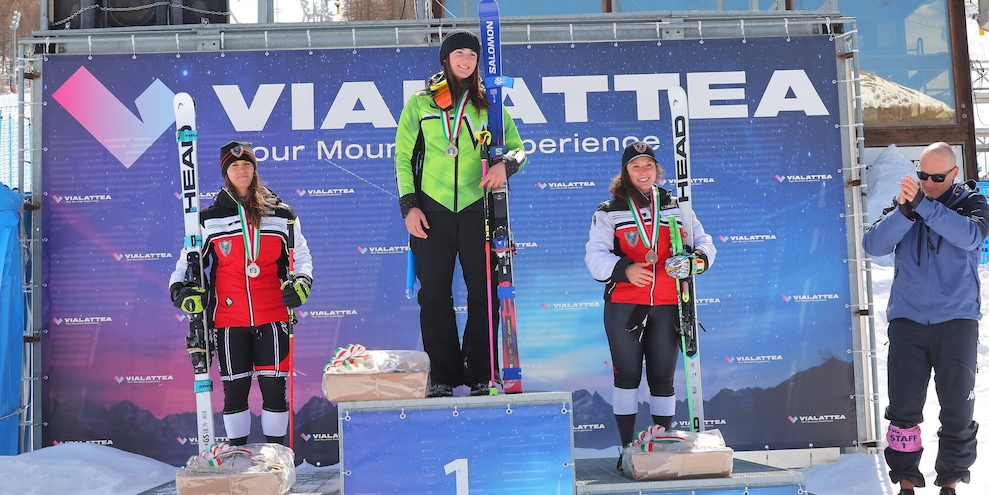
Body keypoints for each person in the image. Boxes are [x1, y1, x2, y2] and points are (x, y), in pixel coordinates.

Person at [394, 29, 527, 398]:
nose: (466, 60)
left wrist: (506, 167)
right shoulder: (420, 103)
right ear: (446, 59)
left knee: (484, 293)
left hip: (477, 209)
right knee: (434, 295)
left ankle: (481, 373)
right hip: (431, 210)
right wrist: (409, 205)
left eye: (472, 54)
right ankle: (442, 376)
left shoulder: (490, 103)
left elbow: (518, 150)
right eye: (459, 54)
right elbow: (403, 159)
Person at [862, 142, 987, 495]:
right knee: (903, 410)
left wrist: (926, 208)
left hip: (957, 322)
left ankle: (950, 482)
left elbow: (971, 236)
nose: (927, 183)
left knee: (957, 411)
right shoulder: (907, 204)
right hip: (908, 322)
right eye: (922, 175)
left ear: (954, 174)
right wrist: (905, 212)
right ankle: (905, 483)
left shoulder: (972, 204)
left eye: (936, 177)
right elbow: (873, 245)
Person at [169, 141, 314, 446]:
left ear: (255, 169)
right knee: (235, 391)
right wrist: (180, 289)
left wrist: (302, 282)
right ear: (226, 173)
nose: (241, 170)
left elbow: (300, 255)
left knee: (274, 390)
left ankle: (277, 459)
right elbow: (188, 259)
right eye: (234, 166)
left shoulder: (282, 213)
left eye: (247, 164)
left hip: (274, 315)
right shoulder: (208, 218)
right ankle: (239, 460)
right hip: (228, 320)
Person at [584, 141, 716, 472]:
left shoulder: (676, 205)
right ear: (625, 173)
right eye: (635, 166)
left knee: (662, 379)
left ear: (657, 170)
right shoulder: (609, 209)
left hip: (670, 303)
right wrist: (624, 269)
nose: (643, 172)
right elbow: (594, 256)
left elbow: (704, 243)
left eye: (649, 166)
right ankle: (627, 450)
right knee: (627, 378)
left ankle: (663, 449)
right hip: (625, 306)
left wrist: (695, 263)